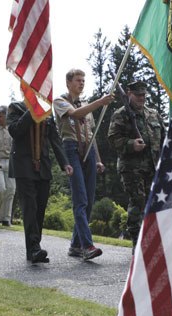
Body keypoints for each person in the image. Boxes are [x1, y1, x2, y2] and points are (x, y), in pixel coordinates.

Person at [53, 68, 114, 260]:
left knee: (88, 199)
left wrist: (97, 159)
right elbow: (75, 114)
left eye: (83, 80)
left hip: (88, 150)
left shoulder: (87, 105)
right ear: (68, 82)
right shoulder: (60, 101)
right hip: (71, 149)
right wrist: (100, 102)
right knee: (80, 199)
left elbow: (92, 134)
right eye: (78, 80)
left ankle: (75, 245)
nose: (81, 83)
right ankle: (87, 246)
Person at [8, 101, 73, 263]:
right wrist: (32, 110)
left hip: (43, 167)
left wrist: (64, 163)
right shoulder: (15, 108)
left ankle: (34, 248)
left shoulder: (46, 112)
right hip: (23, 165)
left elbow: (55, 140)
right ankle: (34, 247)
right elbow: (15, 131)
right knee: (30, 207)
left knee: (40, 207)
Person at [108, 80, 165, 250]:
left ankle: (153, 241)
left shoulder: (153, 114)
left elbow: (164, 138)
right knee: (137, 201)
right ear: (129, 93)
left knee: (153, 203)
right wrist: (131, 144)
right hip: (132, 168)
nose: (141, 98)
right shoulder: (121, 114)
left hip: (153, 167)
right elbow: (112, 139)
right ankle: (137, 242)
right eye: (138, 95)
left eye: (143, 95)